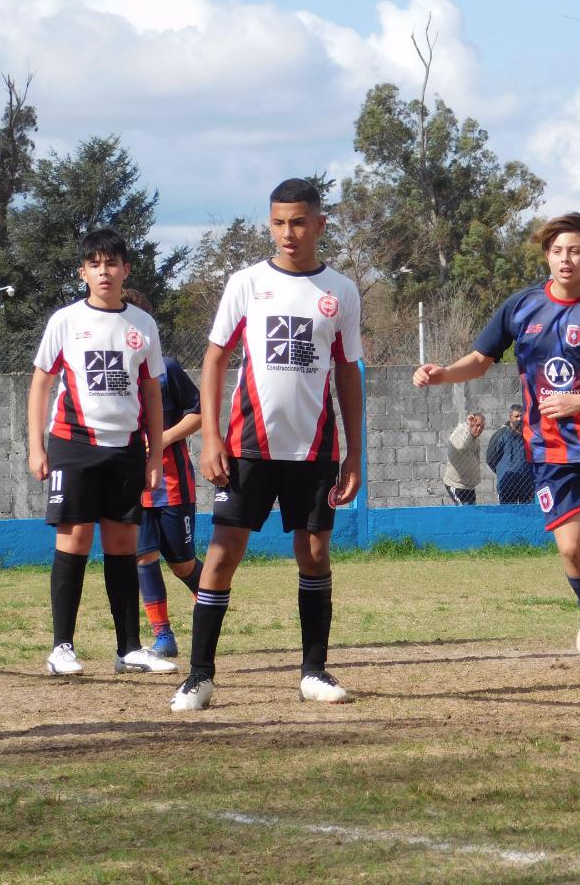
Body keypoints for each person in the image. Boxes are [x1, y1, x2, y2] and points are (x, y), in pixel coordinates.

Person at [413, 212, 580, 673]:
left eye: (575, 251)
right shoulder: (521, 307)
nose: (566, 259)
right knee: (572, 549)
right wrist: (443, 374)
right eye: (557, 251)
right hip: (548, 451)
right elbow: (480, 359)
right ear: (546, 256)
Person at [171, 178, 363, 711]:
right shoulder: (247, 283)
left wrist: (354, 453)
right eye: (279, 222)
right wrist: (210, 438)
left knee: (315, 552)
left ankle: (314, 672)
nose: (288, 233)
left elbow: (347, 372)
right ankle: (199, 676)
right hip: (246, 447)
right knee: (222, 554)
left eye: (299, 222)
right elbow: (213, 360)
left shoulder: (341, 292)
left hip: (316, 451)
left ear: (319, 225)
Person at [28, 230, 176, 679]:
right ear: (83, 273)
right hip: (73, 445)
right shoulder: (66, 321)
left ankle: (129, 648)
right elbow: (41, 384)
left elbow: (151, 393)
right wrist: (37, 446)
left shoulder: (143, 326)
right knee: (74, 540)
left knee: (123, 545)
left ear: (125, 269)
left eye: (112, 263)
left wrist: (153, 455)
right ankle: (62, 648)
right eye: (95, 264)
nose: (104, 272)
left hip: (127, 449)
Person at [122, 289, 204, 659]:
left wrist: (162, 439)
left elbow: (199, 413)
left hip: (173, 486)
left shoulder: (168, 369)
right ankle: (163, 636)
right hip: (130, 487)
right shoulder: (109, 375)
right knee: (143, 557)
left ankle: (212, 600)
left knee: (182, 562)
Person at [485, 405, 532, 503]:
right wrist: (502, 470)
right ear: (510, 418)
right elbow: (490, 458)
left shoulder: (529, 434)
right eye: (516, 416)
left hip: (526, 483)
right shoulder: (501, 434)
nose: (519, 419)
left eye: (521, 416)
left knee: (527, 513)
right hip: (507, 484)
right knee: (508, 513)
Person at [443, 412, 485, 505]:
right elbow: (461, 446)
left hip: (469, 485)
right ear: (471, 423)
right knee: (463, 512)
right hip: (457, 484)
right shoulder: (460, 431)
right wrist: (468, 427)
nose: (479, 429)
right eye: (477, 425)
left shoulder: (475, 438)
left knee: (471, 513)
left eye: (482, 427)